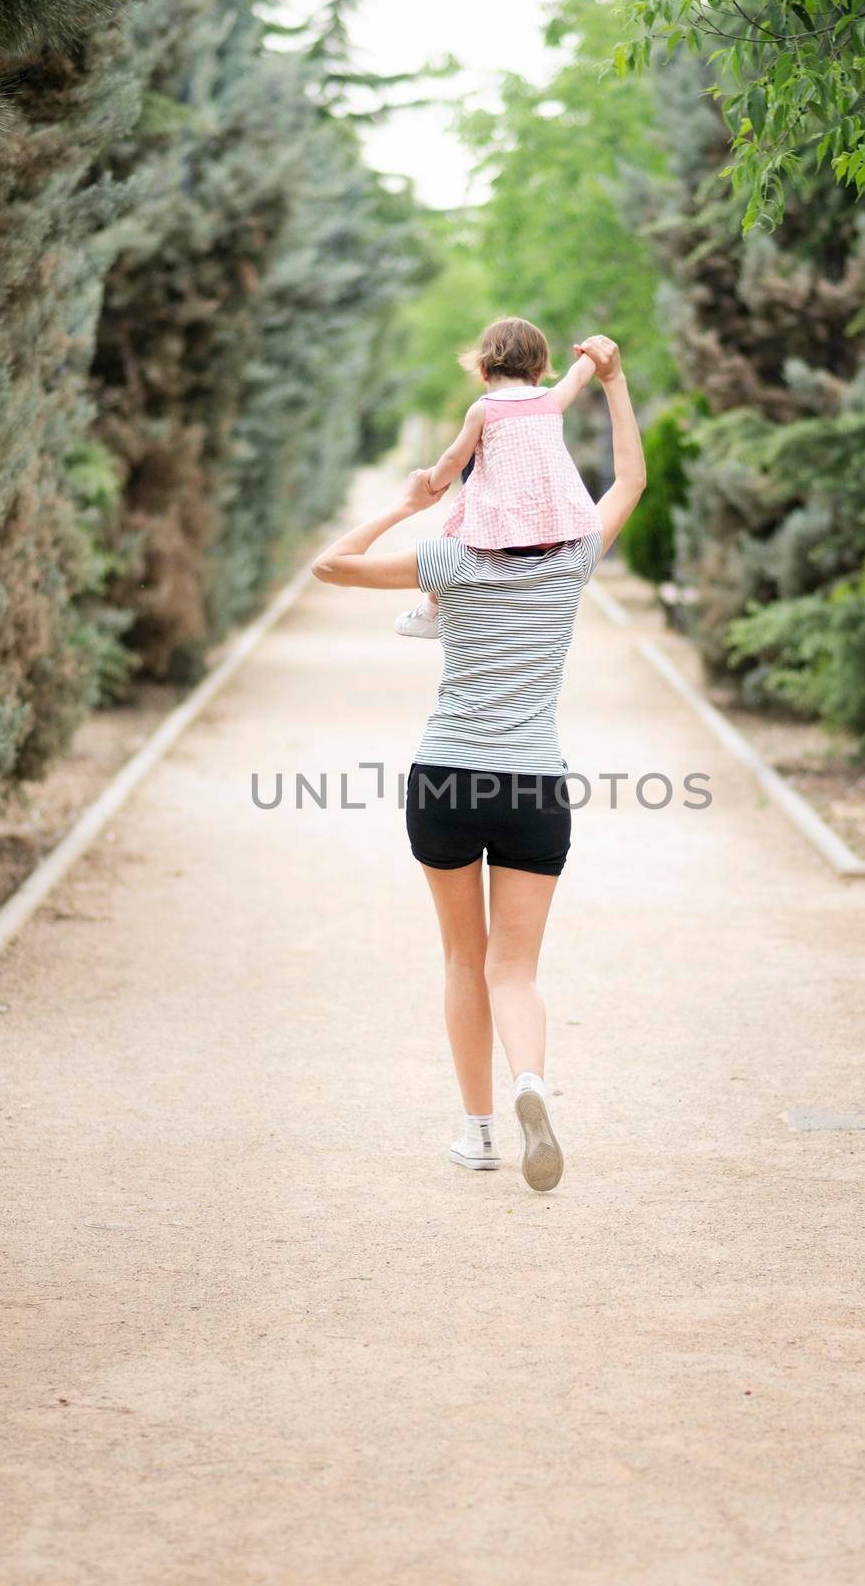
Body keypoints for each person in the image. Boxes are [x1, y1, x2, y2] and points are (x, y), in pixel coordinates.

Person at [312, 335, 646, 1192]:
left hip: (446, 781)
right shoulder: (573, 561)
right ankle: (532, 1081)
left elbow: (331, 566)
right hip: (535, 785)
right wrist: (612, 384)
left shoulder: (449, 561)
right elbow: (630, 483)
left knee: (463, 961)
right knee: (516, 969)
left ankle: (479, 1133)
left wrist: (407, 500)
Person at [393, 315, 600, 640]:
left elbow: (455, 457)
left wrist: (431, 482)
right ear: (538, 371)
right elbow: (577, 379)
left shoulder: (485, 409)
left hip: (502, 529)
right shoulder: (550, 400)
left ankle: (432, 611)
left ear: (484, 371)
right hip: (554, 526)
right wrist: (592, 353)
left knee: (453, 534)